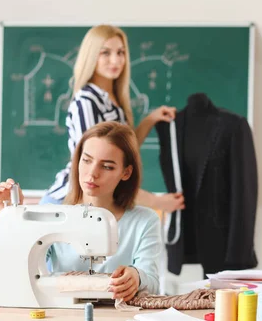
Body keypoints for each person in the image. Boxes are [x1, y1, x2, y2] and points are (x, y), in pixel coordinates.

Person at [0, 122, 160, 301]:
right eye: (86, 160)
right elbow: (19, 271)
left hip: (118, 316)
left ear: (126, 172)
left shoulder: (145, 221)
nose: (92, 174)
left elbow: (153, 281)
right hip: (61, 315)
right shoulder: (51, 216)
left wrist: (137, 277)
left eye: (107, 166)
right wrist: (11, 219)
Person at [43, 24, 184, 213]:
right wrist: (156, 202)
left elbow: (124, 149)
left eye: (121, 52)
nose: (115, 60)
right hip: (68, 204)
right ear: (92, 56)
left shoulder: (113, 99)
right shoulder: (87, 102)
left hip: (94, 204)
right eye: (105, 53)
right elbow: (98, 167)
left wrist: (151, 119)